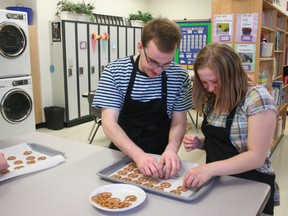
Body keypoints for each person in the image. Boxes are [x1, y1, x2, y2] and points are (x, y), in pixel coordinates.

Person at [182, 43, 279, 215]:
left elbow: (256, 156)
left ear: (232, 75)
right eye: (204, 82)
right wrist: (201, 143)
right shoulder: (213, 97)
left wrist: (209, 169)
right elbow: (225, 141)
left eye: (215, 82)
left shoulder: (257, 99)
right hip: (219, 181)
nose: (210, 88)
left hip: (250, 184)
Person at [94, 18, 193, 179]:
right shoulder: (115, 71)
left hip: (159, 156)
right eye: (153, 62)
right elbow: (109, 123)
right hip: (120, 153)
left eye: (166, 63)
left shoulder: (180, 76)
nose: (159, 70)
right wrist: (139, 156)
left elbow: (179, 122)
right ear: (140, 47)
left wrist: (172, 149)